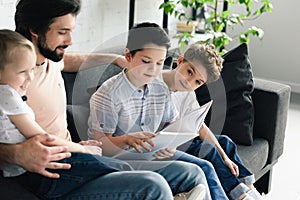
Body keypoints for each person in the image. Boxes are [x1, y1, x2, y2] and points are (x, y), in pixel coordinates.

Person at [0, 0, 209, 199]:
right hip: (56, 173)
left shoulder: (52, 60)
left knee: (192, 172)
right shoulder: (14, 81)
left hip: (78, 156)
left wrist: (115, 59)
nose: (70, 40)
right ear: (35, 30)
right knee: (154, 185)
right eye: (62, 32)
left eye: (71, 31)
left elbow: (73, 60)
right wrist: (15, 153)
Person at [87, 22, 214, 200]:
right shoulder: (108, 95)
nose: (153, 70)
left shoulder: (161, 88)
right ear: (128, 56)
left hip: (149, 153)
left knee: (197, 171)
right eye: (146, 62)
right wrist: (127, 139)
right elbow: (101, 148)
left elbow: (172, 124)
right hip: (117, 160)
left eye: (160, 63)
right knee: (174, 177)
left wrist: (170, 144)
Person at [162, 43, 263, 200]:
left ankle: (249, 188)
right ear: (180, 61)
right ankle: (240, 195)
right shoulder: (157, 87)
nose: (190, 83)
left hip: (183, 138)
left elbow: (200, 126)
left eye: (198, 82)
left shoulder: (187, 92)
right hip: (168, 145)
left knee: (225, 142)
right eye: (189, 72)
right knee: (207, 149)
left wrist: (225, 158)